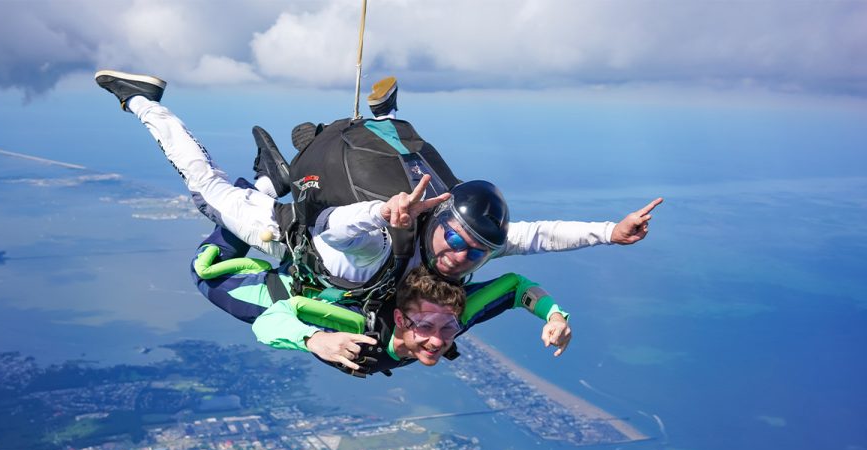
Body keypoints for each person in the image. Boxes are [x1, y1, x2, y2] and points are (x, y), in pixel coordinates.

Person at [93, 70, 657, 308]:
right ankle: (143, 100)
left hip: (351, 218)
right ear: (442, 220)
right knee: (204, 187)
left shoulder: (460, 239)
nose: (459, 257)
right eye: (458, 240)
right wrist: (384, 212)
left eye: (475, 251)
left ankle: (282, 165)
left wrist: (611, 232)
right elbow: (336, 229)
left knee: (412, 159)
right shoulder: (399, 237)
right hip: (283, 233)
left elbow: (536, 236)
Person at [192, 221, 572, 377]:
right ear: (403, 320)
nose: (439, 340)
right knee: (205, 272)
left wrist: (553, 316)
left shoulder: (457, 315)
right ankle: (257, 190)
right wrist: (315, 340)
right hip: (282, 297)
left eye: (448, 327)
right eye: (426, 327)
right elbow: (272, 319)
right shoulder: (355, 326)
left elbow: (516, 287)